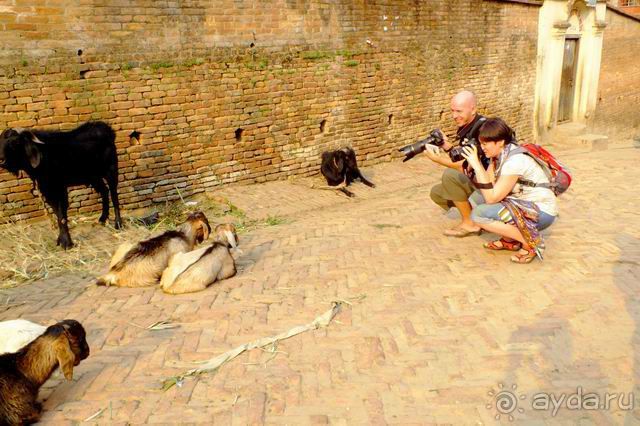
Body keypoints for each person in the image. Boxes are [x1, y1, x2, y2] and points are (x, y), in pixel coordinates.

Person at [461, 117, 558, 264]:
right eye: (481, 143)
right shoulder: (500, 155)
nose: (482, 147)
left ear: (500, 142)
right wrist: (477, 163)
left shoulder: (514, 161)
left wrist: (476, 165)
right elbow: (487, 183)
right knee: (476, 198)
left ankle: (530, 242)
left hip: (542, 212)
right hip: (523, 204)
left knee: (479, 214)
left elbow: (491, 198)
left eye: (485, 143)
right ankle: (510, 240)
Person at [425, 90, 487, 237]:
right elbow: (463, 159)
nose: (454, 116)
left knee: (450, 175)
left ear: (473, 109)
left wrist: (438, 159)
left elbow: (463, 166)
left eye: (459, 111)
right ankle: (477, 217)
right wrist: (448, 147)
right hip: (477, 179)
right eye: (452, 111)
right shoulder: (467, 128)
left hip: (492, 183)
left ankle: (470, 224)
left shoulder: (482, 129)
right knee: (438, 193)